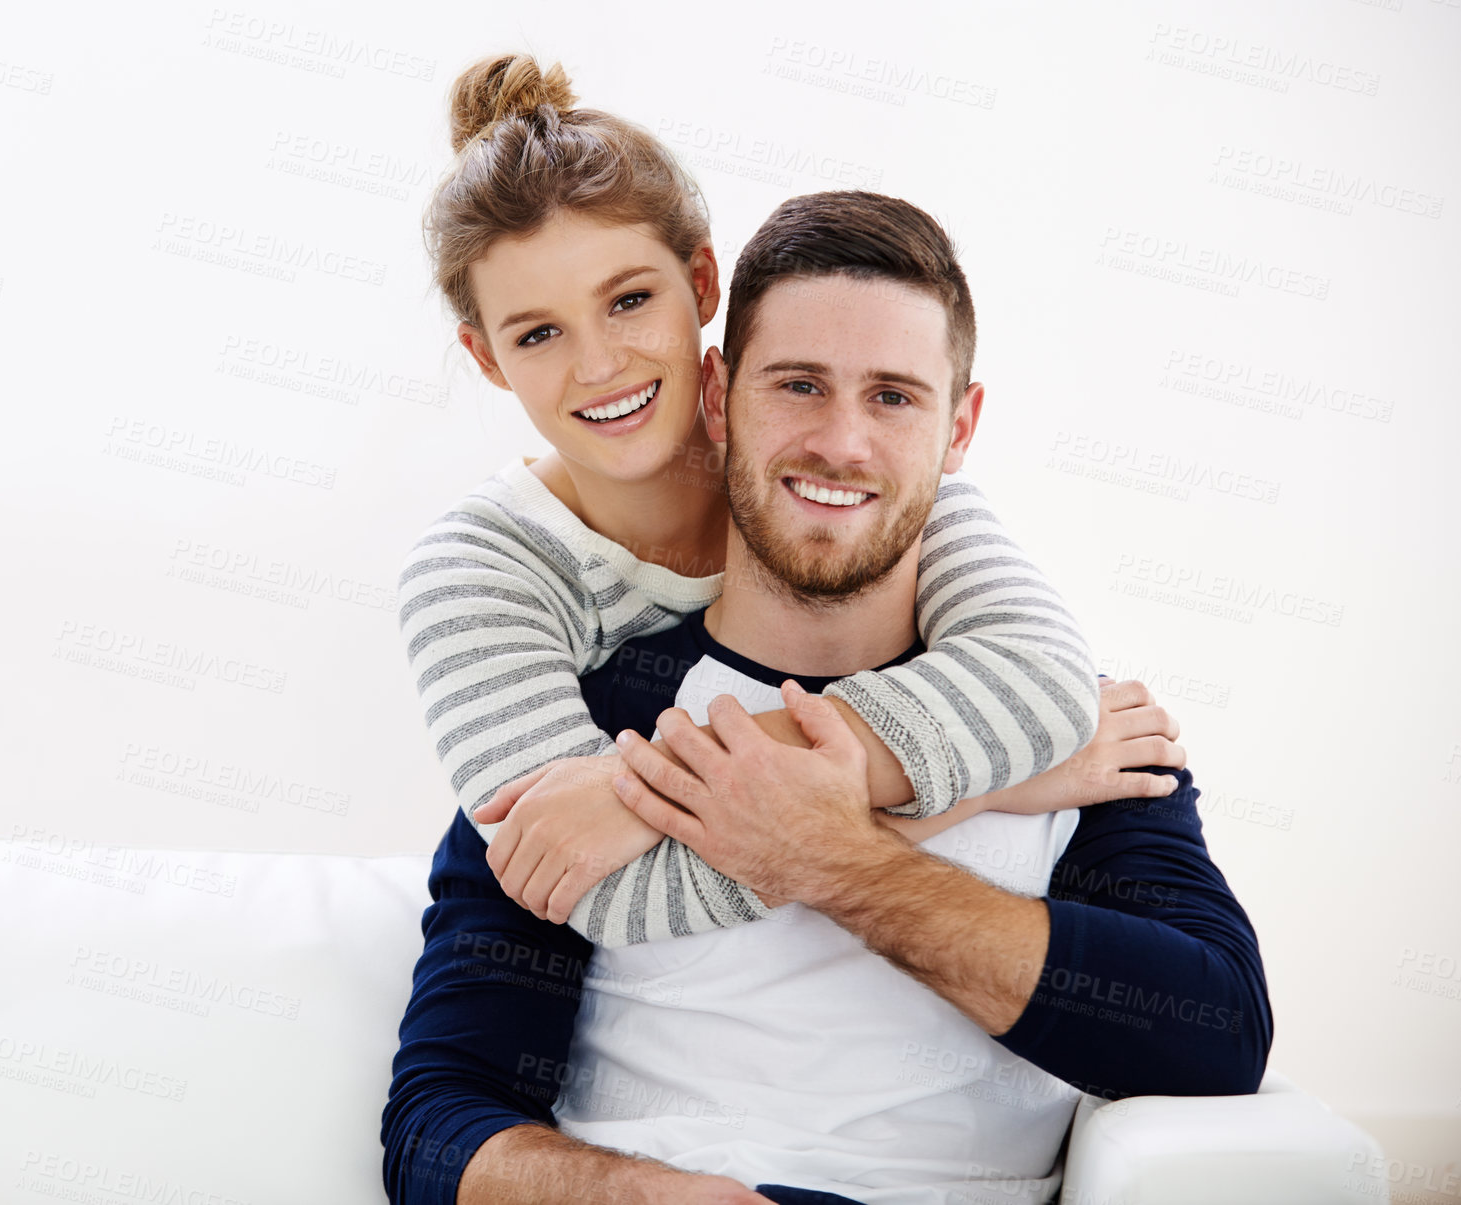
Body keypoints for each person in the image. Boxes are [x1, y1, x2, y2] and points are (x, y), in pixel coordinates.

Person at [381, 189, 1272, 1205]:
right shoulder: (584, 736)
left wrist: (837, 857)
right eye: (797, 384)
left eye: (893, 396)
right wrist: (654, 1196)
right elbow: (436, 1129)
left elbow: (1213, 1038)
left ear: (959, 427)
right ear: (717, 400)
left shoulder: (1074, 725)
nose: (840, 443)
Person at [397, 53, 1173, 948]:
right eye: (537, 333)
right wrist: (991, 785)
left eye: (629, 300)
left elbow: (1040, 689)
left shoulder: (821, 474)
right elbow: (608, 896)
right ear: (487, 357)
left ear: (699, 286)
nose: (599, 365)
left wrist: (630, 791)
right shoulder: (479, 574)